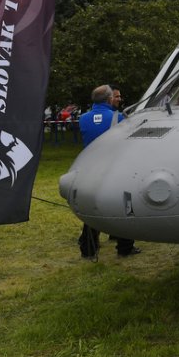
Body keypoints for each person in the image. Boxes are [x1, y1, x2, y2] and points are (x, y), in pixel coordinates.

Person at [77, 85, 141, 259]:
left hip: (90, 166)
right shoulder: (119, 118)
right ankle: (125, 247)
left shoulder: (83, 118)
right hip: (114, 167)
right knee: (124, 205)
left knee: (92, 205)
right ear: (109, 99)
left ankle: (88, 249)